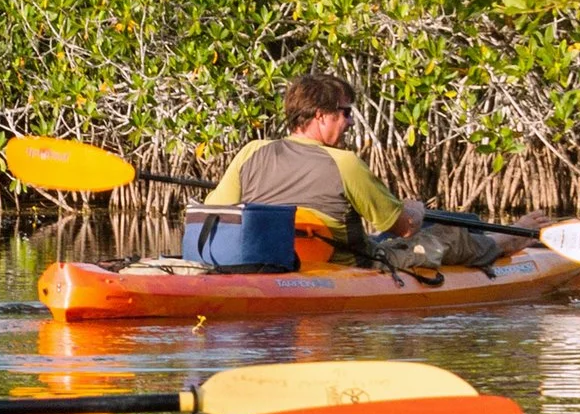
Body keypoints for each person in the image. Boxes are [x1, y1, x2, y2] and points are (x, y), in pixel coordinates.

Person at [206, 72, 531, 269]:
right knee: (448, 234)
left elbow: (213, 211)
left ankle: (492, 233)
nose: (349, 122)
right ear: (321, 116)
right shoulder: (344, 162)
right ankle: (507, 243)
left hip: (271, 261)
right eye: (345, 113)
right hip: (347, 264)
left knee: (437, 226)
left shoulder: (252, 151)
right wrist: (415, 210)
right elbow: (402, 228)